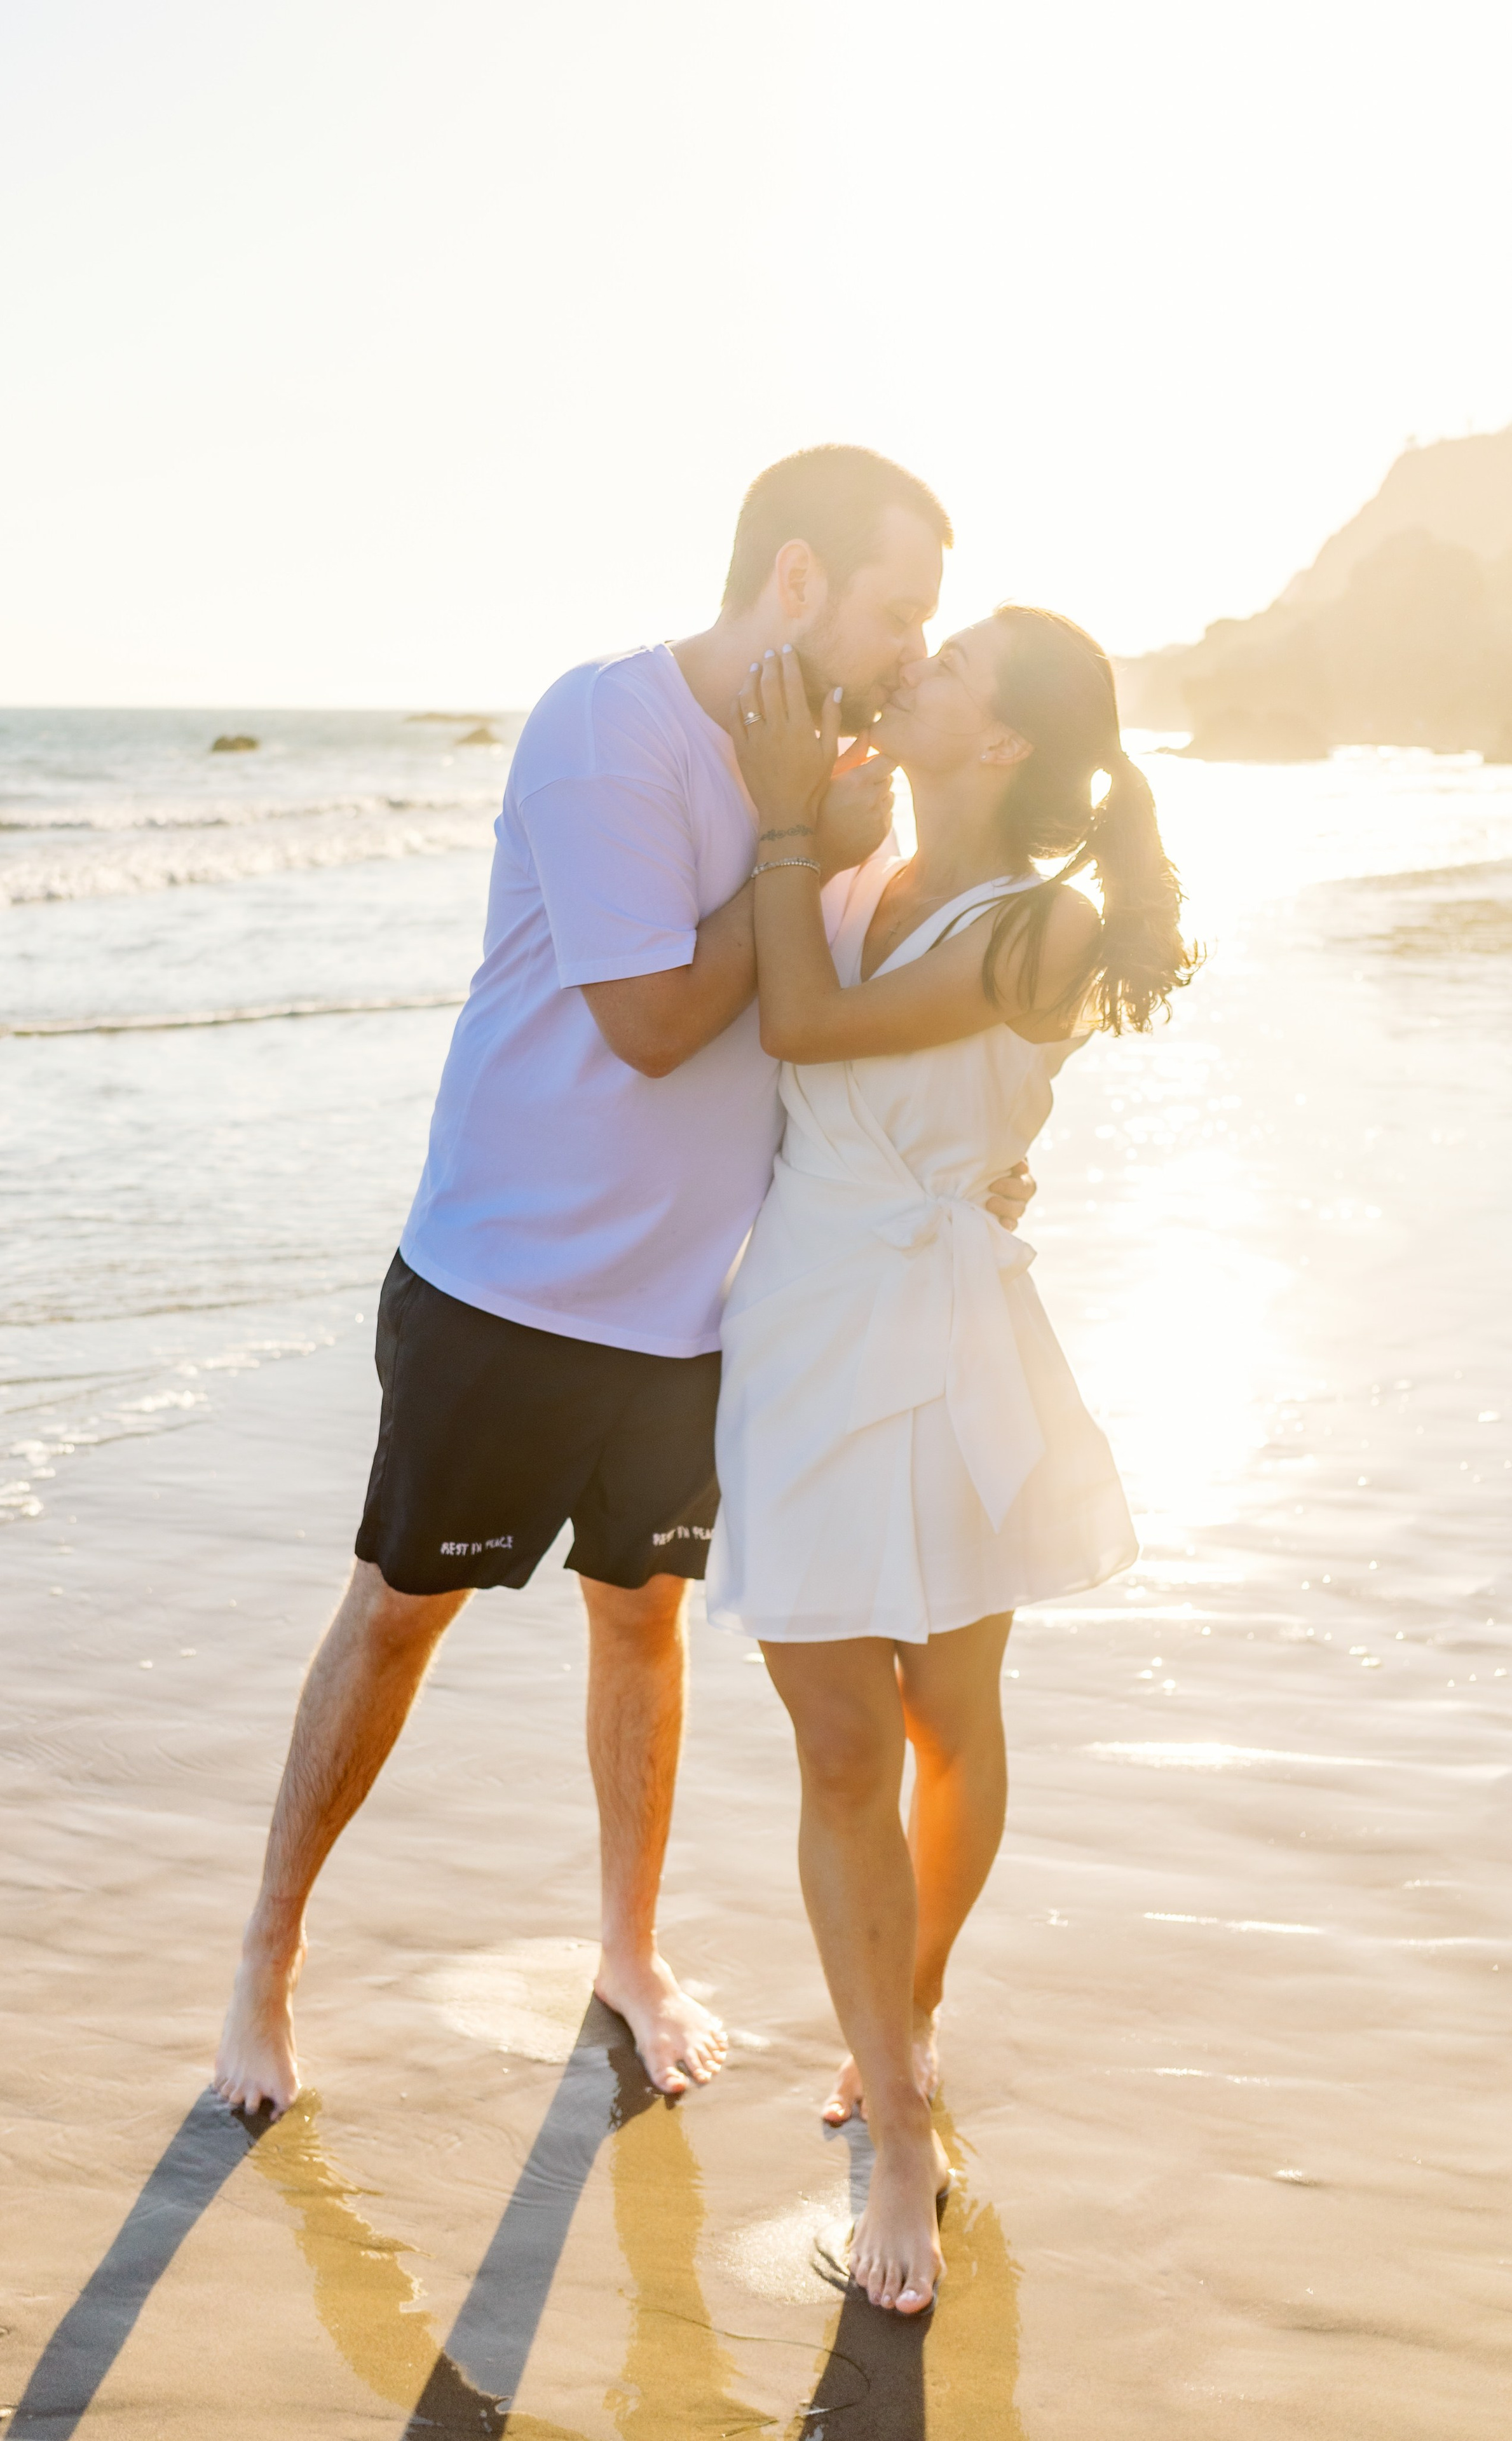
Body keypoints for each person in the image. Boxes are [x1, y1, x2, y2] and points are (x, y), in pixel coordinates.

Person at [211, 447, 1041, 2118]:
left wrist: (984, 1151)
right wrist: (798, 836)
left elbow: (866, 1003)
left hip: (693, 1314)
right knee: (397, 1615)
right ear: (795, 581)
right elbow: (655, 1021)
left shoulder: (847, 778)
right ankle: (263, 1968)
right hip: (504, 1285)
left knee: (641, 1625)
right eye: (897, 608)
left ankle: (627, 1952)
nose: (906, 646)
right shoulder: (612, 730)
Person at [709, 608, 1196, 2313]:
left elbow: (808, 1031)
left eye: (958, 662)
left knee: (947, 1712)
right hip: (800, 1326)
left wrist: (782, 825)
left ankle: (906, 2007)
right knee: (840, 1735)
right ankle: (901, 2111)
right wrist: (795, 832)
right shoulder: (846, 874)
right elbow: (750, 1036)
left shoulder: (1042, 916)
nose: (917, 666)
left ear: (998, 745)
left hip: (951, 1331)